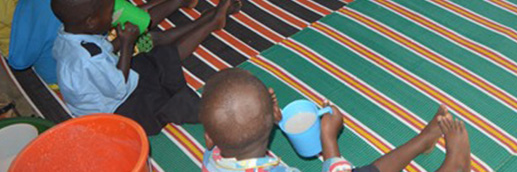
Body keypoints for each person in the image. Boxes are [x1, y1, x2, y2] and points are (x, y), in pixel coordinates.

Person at [52, 0, 241, 134]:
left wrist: (125, 41)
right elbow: (119, 88)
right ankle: (216, 113)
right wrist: (127, 43)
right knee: (163, 104)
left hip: (111, 83)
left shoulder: (68, 33)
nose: (112, 16)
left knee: (159, 56)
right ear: (91, 21)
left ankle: (210, 22)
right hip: (114, 111)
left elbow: (105, 55)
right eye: (109, 12)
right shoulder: (87, 57)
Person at [200, 68, 472, 172]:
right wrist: (328, 138)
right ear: (274, 117)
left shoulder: (211, 159)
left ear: (209, 137)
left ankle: (423, 142)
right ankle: (456, 168)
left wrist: (268, 114)